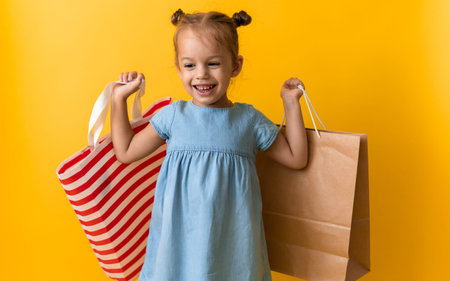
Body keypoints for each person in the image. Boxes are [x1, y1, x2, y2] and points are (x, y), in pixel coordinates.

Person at [110, 9, 308, 281]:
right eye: (190, 65)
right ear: (179, 68)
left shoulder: (248, 120)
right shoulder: (173, 116)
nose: (201, 74)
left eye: (213, 63)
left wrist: (290, 103)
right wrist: (118, 101)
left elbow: (297, 157)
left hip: (233, 246)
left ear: (235, 66)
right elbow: (126, 151)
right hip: (179, 245)